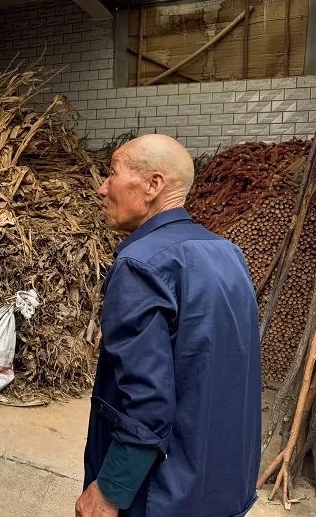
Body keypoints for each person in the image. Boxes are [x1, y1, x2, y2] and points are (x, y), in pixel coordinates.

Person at [76, 134, 261, 517]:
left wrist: (109, 491)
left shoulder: (140, 265)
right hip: (223, 486)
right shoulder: (227, 253)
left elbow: (147, 404)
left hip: (160, 495)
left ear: (153, 185)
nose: (102, 188)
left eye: (112, 173)